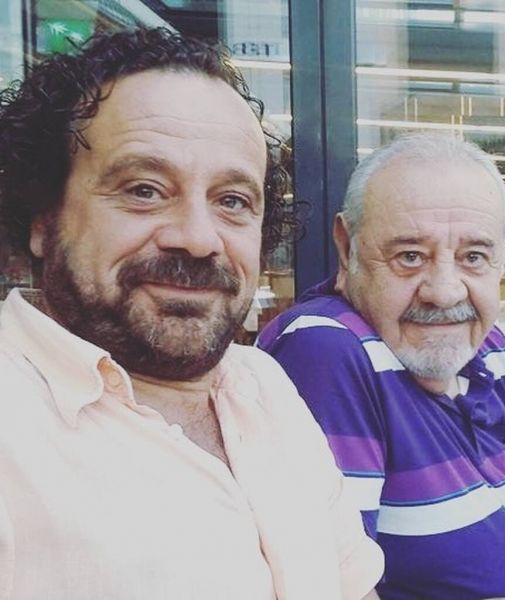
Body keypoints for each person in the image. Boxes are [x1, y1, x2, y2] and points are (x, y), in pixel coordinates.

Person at [0, 28, 383, 600]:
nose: (199, 239)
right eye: (145, 190)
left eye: (232, 201)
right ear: (42, 216)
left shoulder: (265, 383)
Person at [258, 134, 505, 600]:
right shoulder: (327, 349)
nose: (445, 292)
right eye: (410, 256)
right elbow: (327, 585)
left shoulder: (484, 347)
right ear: (346, 248)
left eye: (473, 257)